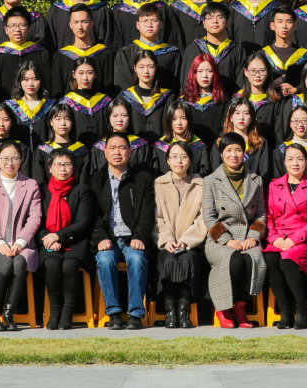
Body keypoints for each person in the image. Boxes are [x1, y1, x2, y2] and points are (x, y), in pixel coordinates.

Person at [90, 132, 156, 330]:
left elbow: (147, 213)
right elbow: (91, 215)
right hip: (108, 238)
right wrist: (100, 237)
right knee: (105, 260)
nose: (117, 152)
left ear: (130, 151)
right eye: (112, 147)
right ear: (105, 152)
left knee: (137, 258)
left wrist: (140, 236)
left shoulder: (142, 179)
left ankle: (135, 314)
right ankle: (114, 313)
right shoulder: (95, 180)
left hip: (131, 238)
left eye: (122, 147)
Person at [202, 133, 268, 328]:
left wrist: (253, 237)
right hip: (220, 239)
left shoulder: (255, 180)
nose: (233, 154)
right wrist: (227, 240)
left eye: (238, 150)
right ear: (222, 154)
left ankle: (240, 308)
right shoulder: (211, 181)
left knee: (253, 259)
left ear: (244, 153)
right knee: (233, 260)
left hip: (247, 237)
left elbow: (261, 214)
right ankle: (223, 309)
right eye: (228, 150)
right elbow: (209, 217)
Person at [0, 140, 42, 331]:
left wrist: (21, 241)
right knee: (5, 264)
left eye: (15, 158)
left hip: (23, 244)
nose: (10, 163)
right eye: (5, 158)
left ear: (21, 160)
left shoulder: (30, 184)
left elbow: (35, 217)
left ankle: (8, 314)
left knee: (20, 262)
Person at [264, 144, 307, 329]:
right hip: (280, 237)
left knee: (287, 259)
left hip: (303, 239)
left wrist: (295, 238)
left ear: (306, 162)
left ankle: (302, 309)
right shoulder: (274, 185)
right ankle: (285, 310)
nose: (295, 163)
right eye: (290, 159)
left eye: (299, 158)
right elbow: (268, 217)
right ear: (284, 162)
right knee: (270, 259)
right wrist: (273, 237)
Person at [36, 148, 98, 329]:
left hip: (75, 241)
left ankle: (68, 312)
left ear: (73, 167)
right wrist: (47, 238)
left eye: (67, 164)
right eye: (58, 164)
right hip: (48, 241)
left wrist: (59, 236)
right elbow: (35, 221)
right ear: (50, 168)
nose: (62, 169)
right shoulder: (42, 191)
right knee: (52, 264)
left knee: (70, 265)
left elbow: (83, 222)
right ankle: (54, 310)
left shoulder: (82, 190)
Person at [153, 141, 208, 328]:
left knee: (186, 258)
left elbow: (202, 219)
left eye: (184, 156)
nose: (179, 161)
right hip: (166, 243)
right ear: (167, 161)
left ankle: (184, 311)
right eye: (174, 156)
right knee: (168, 259)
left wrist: (185, 241)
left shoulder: (200, 185)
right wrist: (166, 240)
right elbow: (156, 218)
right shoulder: (159, 184)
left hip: (191, 244)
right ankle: (170, 310)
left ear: (190, 160)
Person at [179, 2, 247, 97]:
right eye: (209, 17)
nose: (215, 21)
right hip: (199, 102)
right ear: (204, 23)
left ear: (227, 22)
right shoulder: (194, 48)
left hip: (230, 102)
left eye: (220, 17)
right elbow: (186, 80)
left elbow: (241, 82)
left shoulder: (237, 49)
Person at [0, 7, 51, 102]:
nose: (17, 29)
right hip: (4, 107)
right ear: (6, 29)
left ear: (29, 28)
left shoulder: (40, 53)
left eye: (22, 25)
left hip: (35, 106)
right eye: (12, 26)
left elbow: (47, 84)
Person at [113, 2, 182, 92]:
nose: (149, 24)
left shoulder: (172, 53)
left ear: (161, 24)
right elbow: (122, 86)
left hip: (165, 100)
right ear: (137, 25)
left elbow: (176, 86)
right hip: (134, 100)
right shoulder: (125, 54)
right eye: (145, 21)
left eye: (154, 20)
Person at [52, 3, 114, 96]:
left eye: (84, 22)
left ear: (91, 23)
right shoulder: (62, 56)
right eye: (76, 22)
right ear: (70, 25)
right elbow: (57, 91)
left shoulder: (104, 54)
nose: (80, 27)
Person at [117, 51, 173, 143]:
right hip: (133, 148)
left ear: (156, 68)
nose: (146, 71)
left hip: (161, 148)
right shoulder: (125, 97)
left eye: (150, 67)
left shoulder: (167, 97)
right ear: (135, 68)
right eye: (141, 67)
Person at [89, 97, 154, 172]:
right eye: (115, 116)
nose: (119, 119)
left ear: (129, 117)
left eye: (124, 115)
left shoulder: (140, 145)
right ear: (109, 118)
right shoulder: (99, 148)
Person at [60, 56, 113, 147]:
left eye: (89, 73)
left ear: (95, 74)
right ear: (74, 74)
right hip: (75, 150)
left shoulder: (105, 101)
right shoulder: (66, 102)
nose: (85, 78)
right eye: (80, 73)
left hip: (101, 150)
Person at [153, 99, 214, 176]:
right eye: (174, 118)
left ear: (189, 120)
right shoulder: (160, 147)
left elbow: (205, 173)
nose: (179, 123)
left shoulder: (199, 147)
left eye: (183, 118)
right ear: (168, 121)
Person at [262, 5, 307, 94]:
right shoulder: (262, 56)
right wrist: (275, 83)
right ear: (272, 26)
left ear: (294, 26)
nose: (284, 26)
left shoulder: (305, 57)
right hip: (269, 101)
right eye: (280, 22)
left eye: (288, 22)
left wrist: (297, 89)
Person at [31, 103, 89, 183]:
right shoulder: (42, 150)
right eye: (58, 119)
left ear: (72, 122)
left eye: (67, 119)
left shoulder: (81, 150)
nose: (63, 123)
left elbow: (84, 180)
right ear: (51, 122)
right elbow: (39, 180)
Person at [180, 53, 228, 146]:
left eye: (209, 71)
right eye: (200, 71)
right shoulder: (183, 103)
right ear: (193, 74)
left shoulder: (223, 104)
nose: (205, 75)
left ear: (215, 74)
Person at [236, 52, 283, 145]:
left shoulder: (276, 102)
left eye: (262, 70)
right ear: (246, 72)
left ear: (268, 72)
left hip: (267, 149)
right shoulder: (237, 100)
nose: (257, 75)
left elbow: (279, 135)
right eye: (253, 70)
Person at [5, 61, 54, 149]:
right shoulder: (11, 106)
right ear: (20, 81)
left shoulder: (50, 106)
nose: (30, 84)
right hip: (19, 154)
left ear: (41, 81)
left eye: (35, 79)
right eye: (26, 79)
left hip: (44, 155)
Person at [273, 105, 307, 180]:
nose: (300, 125)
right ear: (290, 124)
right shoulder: (280, 151)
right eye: (295, 121)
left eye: (304, 120)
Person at [222, 98, 272, 181]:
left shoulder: (260, 144)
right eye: (237, 113)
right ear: (231, 117)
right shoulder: (220, 143)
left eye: (246, 113)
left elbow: (265, 174)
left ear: (252, 118)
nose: (241, 117)